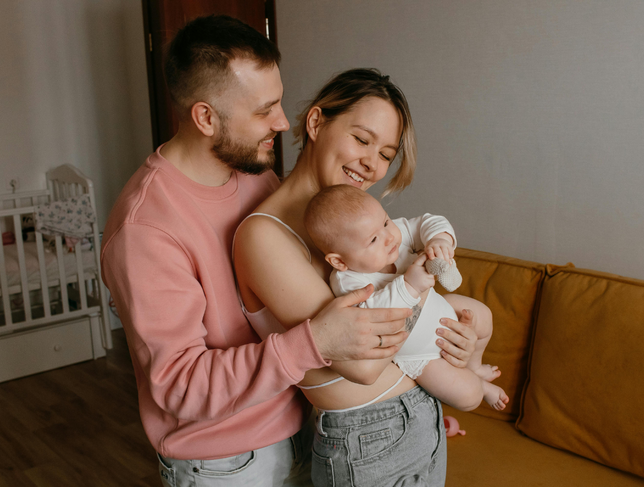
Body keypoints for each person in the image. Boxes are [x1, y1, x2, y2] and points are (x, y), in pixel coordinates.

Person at [101, 15, 423, 487]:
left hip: (309, 432)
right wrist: (315, 342)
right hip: (227, 464)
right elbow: (179, 385)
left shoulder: (257, 178)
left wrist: (403, 410)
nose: (282, 122)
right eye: (263, 110)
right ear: (206, 117)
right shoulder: (145, 229)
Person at [233, 68, 480, 487]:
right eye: (362, 139)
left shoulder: (353, 227)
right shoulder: (265, 235)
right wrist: (421, 297)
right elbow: (361, 365)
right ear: (316, 123)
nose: (371, 164)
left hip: (416, 415)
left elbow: (395, 321)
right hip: (369, 437)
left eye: (386, 154)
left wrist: (451, 337)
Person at [304, 184, 510, 411]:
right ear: (340, 261)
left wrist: (439, 240)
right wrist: (409, 286)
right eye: (373, 240)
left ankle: (475, 366)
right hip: (420, 355)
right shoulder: (348, 282)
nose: (389, 237)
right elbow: (372, 319)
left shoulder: (395, 236)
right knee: (469, 397)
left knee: (482, 315)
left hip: (440, 308)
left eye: (385, 222)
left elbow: (427, 222)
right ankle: (481, 386)